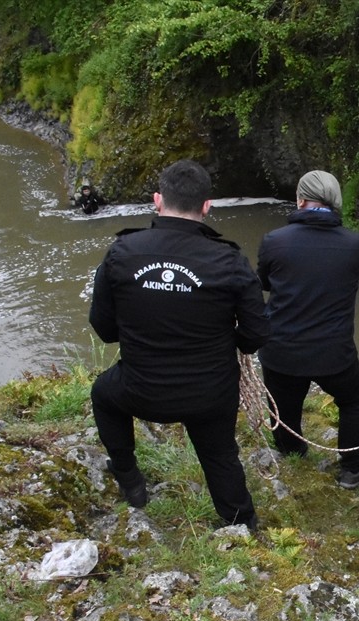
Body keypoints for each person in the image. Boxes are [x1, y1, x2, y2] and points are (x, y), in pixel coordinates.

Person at [89, 159, 269, 528]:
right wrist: (220, 340)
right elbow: (255, 336)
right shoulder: (230, 261)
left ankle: (130, 481)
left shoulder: (122, 252)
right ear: (207, 206)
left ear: (158, 200)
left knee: (104, 395)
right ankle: (240, 523)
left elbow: (104, 329)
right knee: (220, 454)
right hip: (209, 394)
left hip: (141, 391)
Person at [256, 170, 359, 488]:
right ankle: (353, 469)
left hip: (282, 348)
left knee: (283, 405)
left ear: (300, 200)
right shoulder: (355, 244)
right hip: (333, 352)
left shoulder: (274, 241)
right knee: (353, 400)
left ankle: (292, 452)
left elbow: (265, 283)